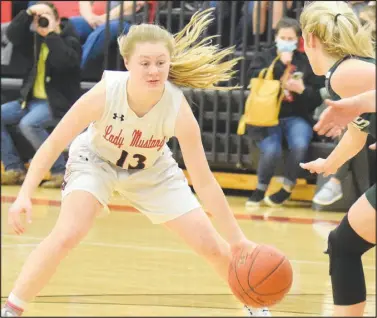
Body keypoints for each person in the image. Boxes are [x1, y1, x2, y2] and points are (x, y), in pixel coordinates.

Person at [1, 8, 271, 317]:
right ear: (127, 63)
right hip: (96, 161)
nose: (154, 71)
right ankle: (12, 308)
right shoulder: (105, 93)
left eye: (161, 63)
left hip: (153, 171)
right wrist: (24, 195)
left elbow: (206, 182)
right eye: (145, 63)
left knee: (212, 246)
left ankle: (256, 306)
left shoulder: (178, 110)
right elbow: (53, 144)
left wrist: (237, 240)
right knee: (69, 232)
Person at [299, 1, 375, 316]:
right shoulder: (347, 71)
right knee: (343, 245)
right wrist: (327, 165)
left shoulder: (345, 73)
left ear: (311, 40)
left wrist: (355, 101)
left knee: (343, 247)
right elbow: (358, 133)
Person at [1, 1, 82, 188]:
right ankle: (14, 168)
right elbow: (12, 34)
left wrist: (51, 34)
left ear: (57, 19)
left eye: (46, 16)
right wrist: (28, 13)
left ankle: (60, 171)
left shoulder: (70, 40)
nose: (42, 21)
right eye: (39, 18)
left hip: (56, 102)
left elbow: (64, 62)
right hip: (29, 101)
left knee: (29, 124)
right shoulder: (33, 40)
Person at [246, 17, 323, 207]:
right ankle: (261, 188)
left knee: (299, 144)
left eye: (290, 38)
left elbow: (316, 98)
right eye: (283, 37)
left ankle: (287, 188)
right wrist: (281, 64)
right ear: (275, 38)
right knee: (271, 150)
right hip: (267, 116)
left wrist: (302, 90)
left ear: (297, 40)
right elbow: (253, 80)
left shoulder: (306, 62)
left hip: (297, 116)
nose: (286, 41)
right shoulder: (264, 57)